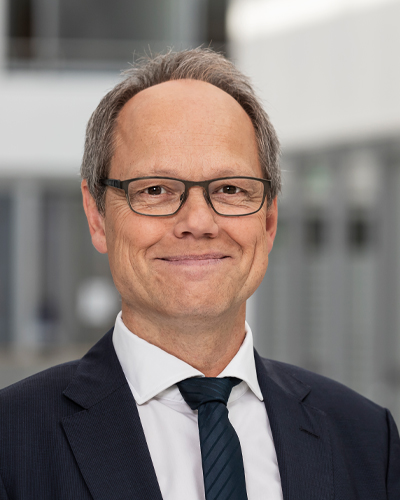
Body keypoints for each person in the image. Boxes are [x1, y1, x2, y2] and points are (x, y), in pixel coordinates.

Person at [0, 48, 399, 500]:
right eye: (155, 189)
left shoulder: (368, 441)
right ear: (97, 217)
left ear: (269, 220)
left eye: (230, 189)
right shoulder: (12, 441)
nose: (198, 222)